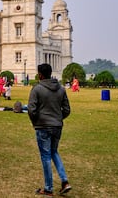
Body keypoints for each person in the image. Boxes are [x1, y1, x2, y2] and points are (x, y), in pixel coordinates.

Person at [28, 63, 72, 196]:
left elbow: (31, 109)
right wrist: (58, 118)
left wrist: (36, 121)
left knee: (46, 156)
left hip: (43, 127)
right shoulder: (61, 89)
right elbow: (67, 110)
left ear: (40, 74)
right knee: (54, 152)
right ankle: (64, 181)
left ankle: (48, 188)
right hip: (57, 126)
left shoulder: (37, 89)